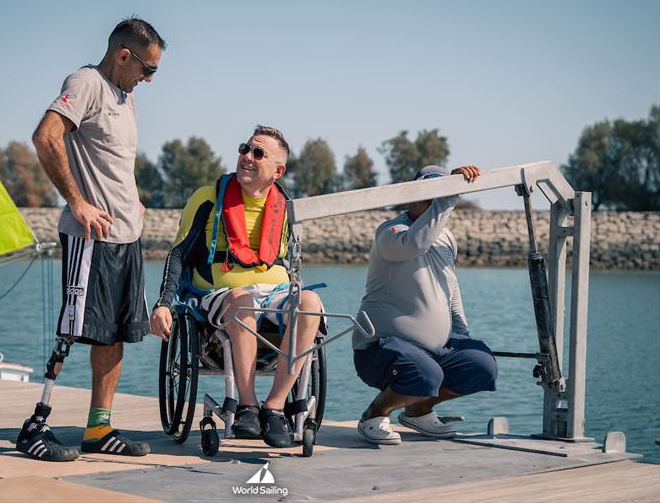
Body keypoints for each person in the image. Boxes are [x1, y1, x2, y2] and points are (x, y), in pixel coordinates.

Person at [16, 18, 166, 461]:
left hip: (126, 235)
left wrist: (133, 202)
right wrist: (77, 202)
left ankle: (99, 429)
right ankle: (35, 426)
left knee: (114, 335)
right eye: (148, 69)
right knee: (72, 327)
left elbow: (115, 160)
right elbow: (45, 137)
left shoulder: (126, 95)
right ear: (124, 55)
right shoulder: (86, 83)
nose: (149, 79)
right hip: (91, 237)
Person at [150, 125, 324, 448]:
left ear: (278, 170)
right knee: (242, 300)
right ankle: (247, 405)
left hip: (274, 295)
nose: (247, 156)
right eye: (245, 148)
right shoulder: (207, 198)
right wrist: (163, 302)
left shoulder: (285, 206)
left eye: (258, 153)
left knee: (310, 301)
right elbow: (178, 254)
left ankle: (274, 407)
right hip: (216, 297)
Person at [353, 164, 498, 445]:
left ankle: (418, 410)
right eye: (427, 193)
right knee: (425, 373)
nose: (432, 201)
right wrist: (449, 196)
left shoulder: (446, 237)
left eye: (438, 194)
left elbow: (451, 289)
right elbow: (414, 244)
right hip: (380, 349)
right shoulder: (391, 231)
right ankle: (374, 414)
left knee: (482, 366)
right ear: (412, 195)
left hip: (434, 349)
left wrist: (462, 333)